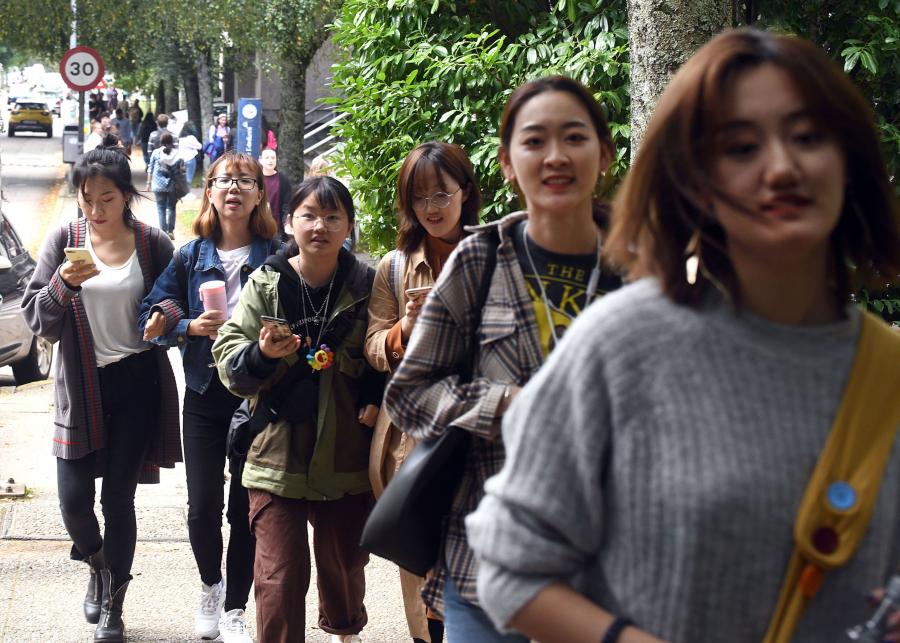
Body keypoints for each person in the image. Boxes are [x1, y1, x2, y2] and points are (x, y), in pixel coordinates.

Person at [466, 29, 900, 643]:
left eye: (808, 137)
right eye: (742, 147)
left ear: (849, 160)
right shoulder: (624, 345)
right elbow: (509, 566)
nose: (782, 167)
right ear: (694, 181)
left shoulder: (889, 369)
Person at [383, 76, 621, 643]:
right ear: (508, 164)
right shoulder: (479, 260)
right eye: (534, 140)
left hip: (615, 566)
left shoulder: (644, 264)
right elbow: (409, 393)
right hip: (487, 570)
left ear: (604, 155)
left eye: (575, 137)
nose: (555, 156)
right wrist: (503, 404)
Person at [212, 176, 385, 643]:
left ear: (349, 225)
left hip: (344, 456)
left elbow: (384, 351)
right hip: (275, 454)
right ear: (289, 222)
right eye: (308, 215)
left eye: (333, 217)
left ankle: (345, 632)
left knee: (344, 566)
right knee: (278, 578)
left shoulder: (368, 285)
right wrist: (263, 355)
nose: (320, 226)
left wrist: (373, 397)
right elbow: (229, 355)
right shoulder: (266, 284)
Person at [21, 146, 180, 643]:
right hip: (81, 385)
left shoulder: (153, 244)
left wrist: (167, 316)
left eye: (106, 197)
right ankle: (96, 563)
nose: (94, 209)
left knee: (118, 499)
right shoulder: (64, 242)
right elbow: (39, 321)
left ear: (126, 195)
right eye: (86, 198)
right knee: (73, 502)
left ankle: (114, 602)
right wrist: (62, 285)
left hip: (137, 384)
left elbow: (177, 298)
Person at [140, 152, 280, 643]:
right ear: (210, 192)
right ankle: (211, 588)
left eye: (245, 181)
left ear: (259, 193)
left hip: (257, 398)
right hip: (202, 393)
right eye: (224, 181)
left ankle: (237, 609)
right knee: (202, 507)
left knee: (243, 509)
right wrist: (184, 326)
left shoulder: (278, 254)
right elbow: (150, 314)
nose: (234, 189)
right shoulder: (190, 255)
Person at [365, 141, 482, 643]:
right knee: (421, 563)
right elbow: (371, 344)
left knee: (478, 560)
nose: (432, 208)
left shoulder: (493, 255)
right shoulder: (394, 265)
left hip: (481, 432)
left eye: (441, 194)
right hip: (413, 439)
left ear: (465, 193)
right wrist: (404, 330)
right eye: (419, 198)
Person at [147, 132, 180, 239]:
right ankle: (171, 231)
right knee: (171, 208)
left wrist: (148, 183)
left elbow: (150, 168)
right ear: (171, 141)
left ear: (160, 141)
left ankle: (163, 232)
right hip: (172, 185)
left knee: (161, 208)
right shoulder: (175, 153)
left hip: (158, 185)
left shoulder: (156, 152)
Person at [259, 146, 293, 236]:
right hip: (258, 225)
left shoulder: (283, 179)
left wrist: (286, 222)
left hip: (277, 227)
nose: (270, 160)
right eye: (267, 158)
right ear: (261, 160)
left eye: (273, 158)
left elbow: (287, 203)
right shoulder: (256, 178)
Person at [178, 122, 204, 187]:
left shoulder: (180, 138)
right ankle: (187, 193)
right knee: (189, 178)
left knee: (183, 178)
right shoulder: (191, 137)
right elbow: (200, 146)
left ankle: (183, 193)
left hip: (181, 160)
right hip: (190, 159)